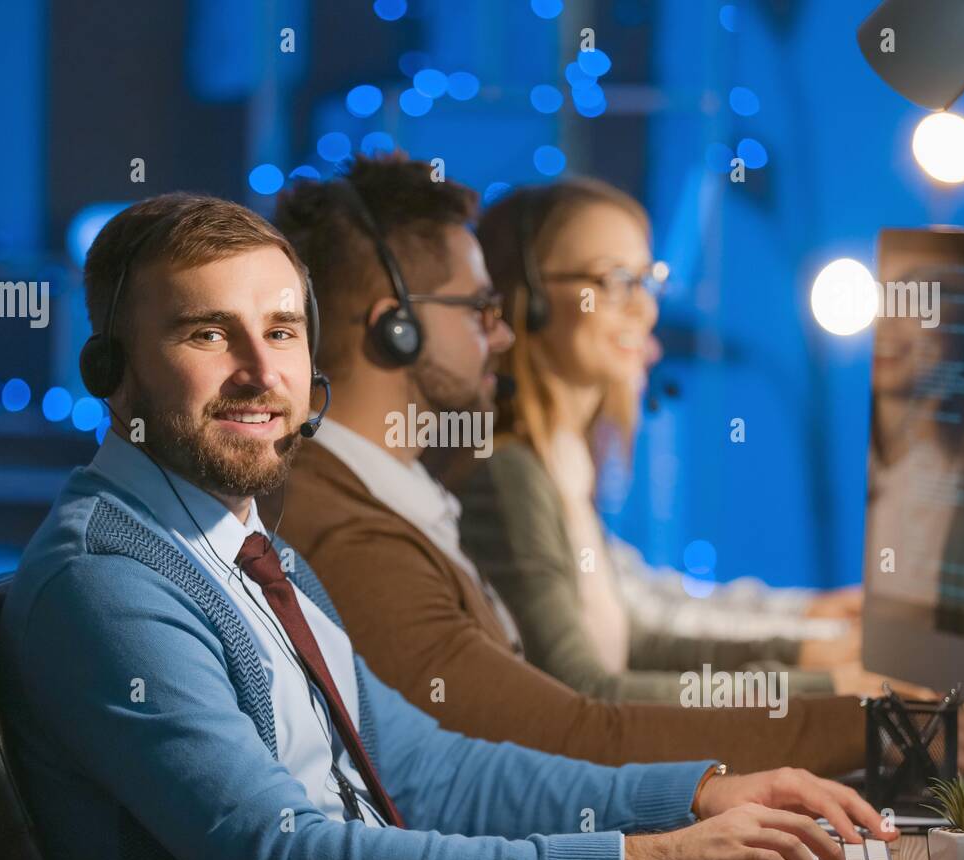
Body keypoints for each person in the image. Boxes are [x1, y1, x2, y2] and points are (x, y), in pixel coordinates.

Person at [0, 191, 891, 860]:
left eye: (281, 332)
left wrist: (694, 794)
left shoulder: (252, 556)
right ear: (111, 371)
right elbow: (279, 854)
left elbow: (431, 770)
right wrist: (638, 857)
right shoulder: (108, 580)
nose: (263, 373)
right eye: (207, 336)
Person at [269, 153, 874, 777]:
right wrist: (856, 716)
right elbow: (573, 730)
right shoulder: (366, 533)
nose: (499, 334)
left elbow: (601, 671)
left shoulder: (403, 497)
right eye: (479, 309)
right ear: (399, 326)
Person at [459, 179, 868, 705]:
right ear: (530, 299)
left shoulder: (564, 462)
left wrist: (812, 652)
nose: (645, 310)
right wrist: (829, 689)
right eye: (614, 280)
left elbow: (636, 639)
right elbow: (585, 692)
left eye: (648, 281)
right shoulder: (509, 472)